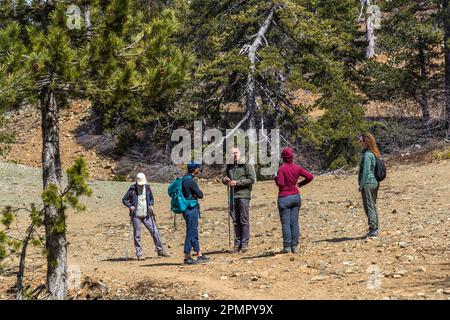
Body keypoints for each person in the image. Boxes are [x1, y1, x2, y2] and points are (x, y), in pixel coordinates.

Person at [274, 147, 313, 253]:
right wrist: (299, 184)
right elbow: (310, 176)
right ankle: (294, 246)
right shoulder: (297, 167)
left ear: (283, 157)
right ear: (292, 156)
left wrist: (275, 177)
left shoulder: (281, 168)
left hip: (284, 197)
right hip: (295, 196)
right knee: (294, 222)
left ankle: (287, 247)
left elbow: (280, 183)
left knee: (286, 223)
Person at [122, 172, 169, 260]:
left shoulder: (147, 188)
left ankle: (160, 251)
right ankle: (139, 254)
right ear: (137, 182)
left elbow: (151, 198)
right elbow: (124, 199)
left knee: (155, 231)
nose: (142, 185)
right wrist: (130, 206)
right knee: (137, 234)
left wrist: (151, 204)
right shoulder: (132, 189)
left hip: (147, 214)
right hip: (136, 215)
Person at [222, 148, 256, 253]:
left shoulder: (246, 164)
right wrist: (224, 180)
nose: (235, 155)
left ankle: (244, 243)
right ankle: (237, 244)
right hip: (232, 196)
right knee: (235, 220)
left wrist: (237, 183)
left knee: (243, 220)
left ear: (240, 153)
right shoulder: (229, 166)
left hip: (243, 195)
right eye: (232, 153)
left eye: (236, 152)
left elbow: (251, 179)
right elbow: (225, 177)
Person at [181, 162, 210, 265]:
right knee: (190, 233)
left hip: (186, 209)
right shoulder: (190, 181)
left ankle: (199, 255)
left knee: (194, 232)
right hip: (191, 209)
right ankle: (187, 257)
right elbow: (200, 194)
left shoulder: (184, 178)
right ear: (195, 170)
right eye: (198, 168)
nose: (199, 169)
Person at [358, 133, 381, 238]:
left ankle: (373, 229)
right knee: (372, 205)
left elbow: (366, 171)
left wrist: (361, 185)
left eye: (360, 141)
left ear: (365, 142)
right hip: (375, 182)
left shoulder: (367, 155)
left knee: (369, 206)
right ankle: (375, 227)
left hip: (368, 182)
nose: (359, 143)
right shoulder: (374, 153)